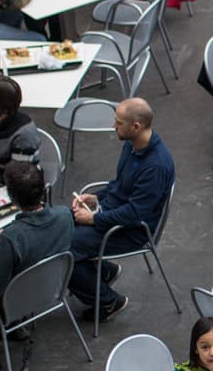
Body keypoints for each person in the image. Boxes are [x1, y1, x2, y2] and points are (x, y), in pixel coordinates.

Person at [68, 97, 174, 322]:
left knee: (65, 249)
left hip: (131, 231)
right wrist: (97, 198)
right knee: (59, 226)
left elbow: (135, 214)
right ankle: (105, 271)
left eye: (118, 123)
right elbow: (119, 185)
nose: (113, 126)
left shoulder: (155, 166)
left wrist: (94, 220)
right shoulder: (132, 145)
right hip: (112, 215)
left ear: (135, 127)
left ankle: (107, 301)